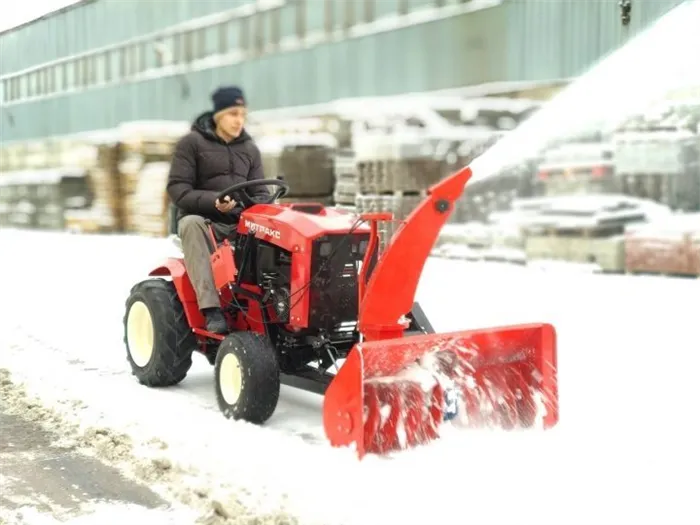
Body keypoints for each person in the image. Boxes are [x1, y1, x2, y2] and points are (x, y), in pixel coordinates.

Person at [167, 85, 269, 334]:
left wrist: (252, 206)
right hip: (204, 221)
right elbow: (178, 189)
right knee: (191, 224)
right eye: (233, 114)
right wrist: (214, 201)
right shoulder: (191, 144)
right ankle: (211, 309)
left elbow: (262, 194)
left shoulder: (250, 149)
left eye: (243, 114)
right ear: (218, 115)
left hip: (240, 221)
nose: (239, 120)